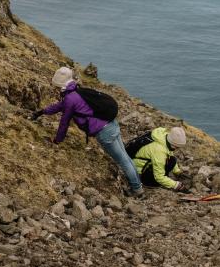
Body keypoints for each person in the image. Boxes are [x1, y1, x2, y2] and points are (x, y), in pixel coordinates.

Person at [32, 67, 144, 197]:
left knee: (122, 161)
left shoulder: (70, 98)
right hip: (112, 124)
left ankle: (137, 190)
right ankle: (138, 184)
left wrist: (58, 140)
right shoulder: (77, 90)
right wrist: (42, 112)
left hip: (105, 133)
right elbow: (59, 106)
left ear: (60, 85)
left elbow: (64, 122)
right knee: (125, 157)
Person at [131, 126, 188, 191]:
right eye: (177, 147)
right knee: (157, 179)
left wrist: (178, 172)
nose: (178, 149)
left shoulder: (165, 135)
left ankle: (165, 178)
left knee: (172, 160)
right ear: (173, 144)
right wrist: (177, 186)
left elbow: (169, 152)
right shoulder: (159, 151)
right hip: (138, 171)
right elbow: (159, 177)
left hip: (141, 162)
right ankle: (148, 183)